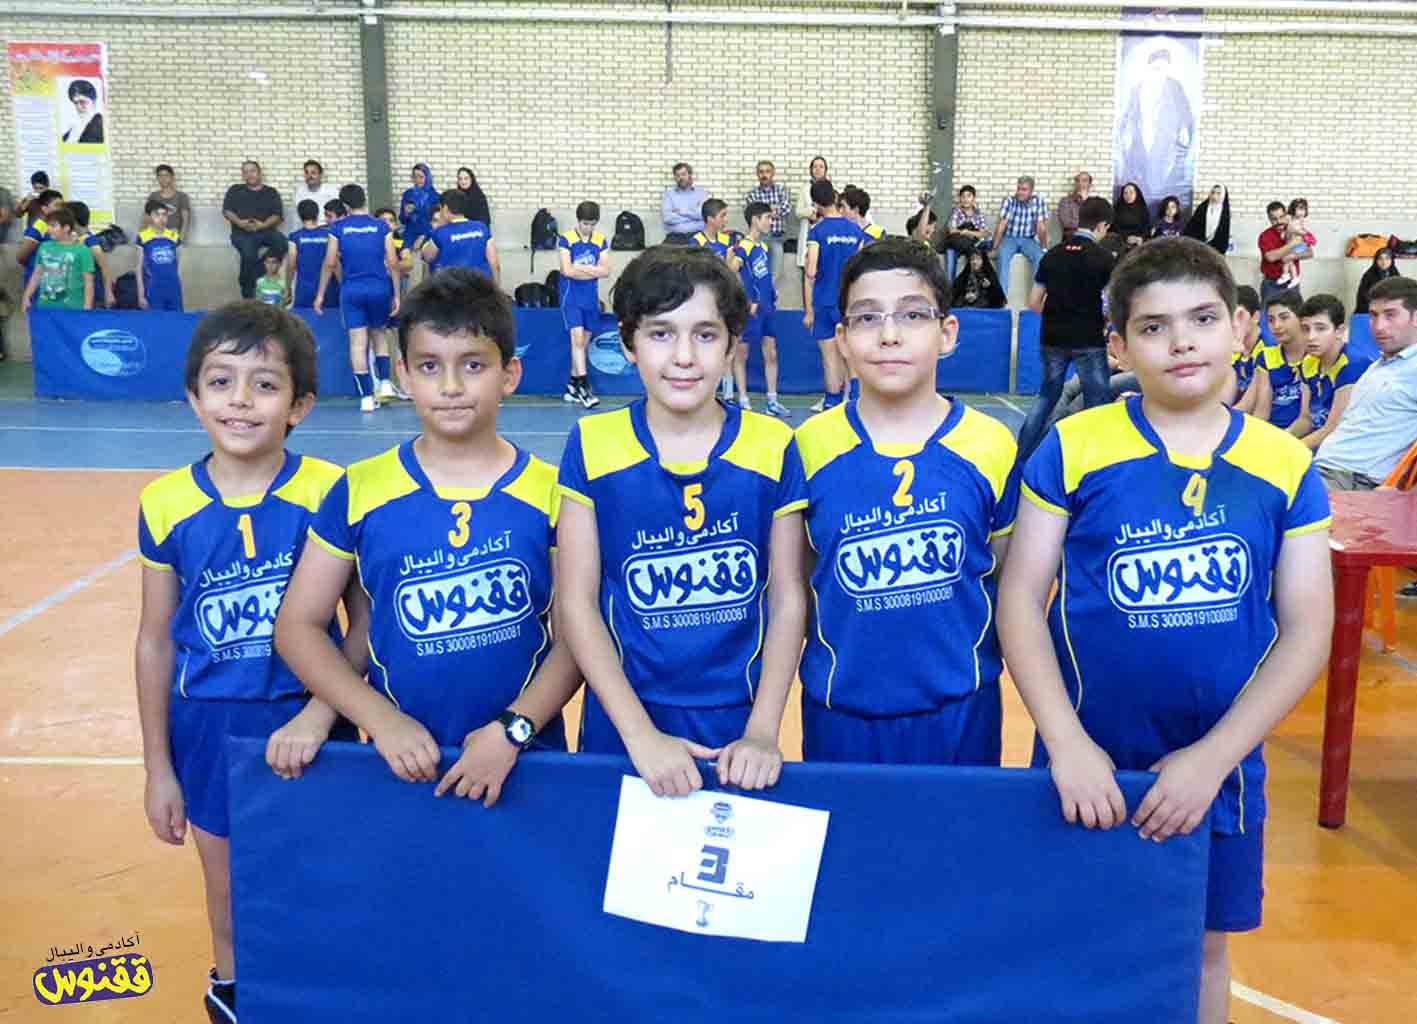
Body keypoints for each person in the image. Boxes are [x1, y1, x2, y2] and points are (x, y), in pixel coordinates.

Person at [999, 235, 1332, 1024]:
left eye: (1202, 319)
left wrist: (1213, 760)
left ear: (1240, 328)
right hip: (1086, 761)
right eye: (1153, 326)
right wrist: (1066, 744)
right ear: (1117, 345)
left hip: (1221, 769)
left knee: (1202, 949)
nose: (1181, 341)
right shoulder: (1074, 447)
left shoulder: (1283, 463)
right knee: (1071, 940)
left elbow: (1306, 627)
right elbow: (1019, 599)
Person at [276, 268, 581, 804]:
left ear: (509, 374)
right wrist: (381, 720)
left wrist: (514, 729)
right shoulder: (360, 488)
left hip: (524, 760)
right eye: (429, 366)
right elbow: (297, 625)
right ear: (403, 374)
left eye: (473, 365)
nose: (451, 387)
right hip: (398, 764)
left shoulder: (553, 494)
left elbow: (578, 635)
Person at [134, 302, 358, 1024]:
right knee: (228, 889)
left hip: (313, 722)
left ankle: (324, 998)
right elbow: (155, 639)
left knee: (322, 880)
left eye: (264, 384)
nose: (239, 400)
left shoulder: (330, 490)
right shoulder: (165, 503)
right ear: (193, 396)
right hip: (210, 730)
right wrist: (159, 767)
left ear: (300, 405)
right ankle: (235, 994)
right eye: (220, 381)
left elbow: (365, 622)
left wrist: (322, 713)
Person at [556, 245, 808, 796]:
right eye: (661, 334)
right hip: (624, 719)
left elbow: (788, 595)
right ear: (628, 343)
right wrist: (640, 735)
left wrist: (762, 730)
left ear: (733, 344)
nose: (685, 357)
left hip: (737, 722)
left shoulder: (772, 445)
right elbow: (576, 601)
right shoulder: (593, 443)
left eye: (706, 334)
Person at [794, 236, 1017, 765]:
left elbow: (1002, 579)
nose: (889, 335)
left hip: (961, 712)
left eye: (913, 315)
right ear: (842, 339)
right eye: (867, 318)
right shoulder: (807, 446)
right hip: (841, 714)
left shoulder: (991, 444)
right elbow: (800, 583)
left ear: (948, 332)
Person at [1014, 197, 1118, 462]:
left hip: (1052, 337)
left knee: (1047, 397)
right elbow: (1111, 305)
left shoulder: (1052, 255)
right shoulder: (1105, 259)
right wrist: (1102, 320)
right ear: (1102, 225)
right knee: (1097, 402)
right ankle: (1093, 461)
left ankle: (1021, 456)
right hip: (1089, 339)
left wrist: (1057, 313)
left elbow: (1033, 302)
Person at [1315, 277, 1417, 490]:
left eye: (1390, 315)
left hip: (1353, 481)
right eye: (1373, 315)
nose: (1379, 326)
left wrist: (1406, 496)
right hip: (1322, 468)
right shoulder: (1376, 367)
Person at [316, 183, 401, 412]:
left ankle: (366, 397)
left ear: (345, 205)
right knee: (379, 335)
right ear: (364, 200)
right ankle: (385, 383)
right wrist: (396, 294)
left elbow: (330, 262)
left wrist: (320, 294)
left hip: (352, 289)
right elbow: (393, 261)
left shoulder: (338, 228)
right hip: (379, 287)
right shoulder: (381, 226)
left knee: (357, 343)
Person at [804, 180, 866, 411]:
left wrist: (809, 308)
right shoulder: (856, 231)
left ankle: (832, 404)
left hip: (824, 301)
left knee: (830, 357)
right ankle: (856, 402)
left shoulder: (817, 231)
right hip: (849, 303)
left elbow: (811, 271)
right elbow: (860, 270)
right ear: (835, 197)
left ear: (816, 204)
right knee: (851, 355)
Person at [727, 201, 788, 416]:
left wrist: (770, 292)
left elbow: (762, 275)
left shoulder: (763, 246)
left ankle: (772, 401)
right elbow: (732, 269)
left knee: (771, 353)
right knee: (741, 354)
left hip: (767, 307)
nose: (771, 222)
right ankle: (744, 400)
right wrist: (745, 299)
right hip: (750, 310)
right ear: (755, 220)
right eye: (767, 218)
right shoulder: (745, 245)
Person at [1297, 294, 1371, 451]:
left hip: (1347, 450)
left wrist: (1290, 449)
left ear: (1339, 331)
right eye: (1305, 329)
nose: (1311, 337)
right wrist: (1282, 437)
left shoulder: (1352, 365)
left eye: (1320, 328)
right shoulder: (1308, 362)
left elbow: (1332, 429)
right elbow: (1305, 419)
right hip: (1319, 442)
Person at [557, 200, 611, 410]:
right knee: (577, 339)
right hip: (571, 297)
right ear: (578, 221)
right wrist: (592, 270)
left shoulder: (600, 240)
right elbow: (566, 270)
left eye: (592, 224)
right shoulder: (566, 239)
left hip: (590, 298)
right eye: (585, 224)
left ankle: (572, 384)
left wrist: (579, 268)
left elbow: (605, 271)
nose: (588, 228)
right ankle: (584, 387)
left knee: (583, 343)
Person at [222, 161, 286, 300]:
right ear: (243, 175)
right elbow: (227, 211)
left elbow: (277, 215)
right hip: (242, 233)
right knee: (249, 253)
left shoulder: (271, 192)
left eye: (252, 171)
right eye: (246, 172)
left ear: (259, 173)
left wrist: (263, 225)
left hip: (265, 230)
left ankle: (254, 274)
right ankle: (247, 292)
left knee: (282, 243)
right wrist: (240, 223)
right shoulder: (235, 190)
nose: (249, 174)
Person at [1250, 290, 1310, 430]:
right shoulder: (1266, 356)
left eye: (1284, 318)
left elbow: (1306, 419)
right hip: (1273, 432)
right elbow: (1262, 411)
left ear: (1301, 318)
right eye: (1271, 320)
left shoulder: (1314, 355)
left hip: (1300, 434)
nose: (1276, 325)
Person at [20, 207, 93, 312]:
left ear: (66, 228)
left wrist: (87, 307)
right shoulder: (44, 247)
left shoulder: (82, 250)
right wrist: (26, 296)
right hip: (45, 307)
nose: (48, 229)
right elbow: (37, 275)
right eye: (48, 226)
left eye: (53, 226)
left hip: (73, 309)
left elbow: (88, 282)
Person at [420, 189, 499, 284]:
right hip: (480, 285)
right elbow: (494, 264)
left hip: (452, 287)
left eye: (440, 209)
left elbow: (427, 257)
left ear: (445, 208)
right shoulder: (482, 227)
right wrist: (497, 288)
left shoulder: (440, 233)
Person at [990, 176, 1048, 293]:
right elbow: (1002, 225)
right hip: (1010, 238)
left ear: (1031, 191)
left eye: (1024, 189)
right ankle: (1001, 298)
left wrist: (1043, 248)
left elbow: (1041, 227)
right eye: (1018, 189)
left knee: (1039, 257)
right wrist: (994, 247)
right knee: (1002, 256)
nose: (1020, 192)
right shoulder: (1010, 201)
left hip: (1028, 240)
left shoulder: (1038, 202)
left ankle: (1036, 298)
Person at [744, 159, 793, 278]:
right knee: (756, 272)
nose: (764, 175)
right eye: (761, 172)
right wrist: (774, 209)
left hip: (777, 238)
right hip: (758, 238)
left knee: (775, 273)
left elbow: (786, 208)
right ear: (757, 174)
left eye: (767, 171)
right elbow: (753, 214)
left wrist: (764, 212)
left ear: (773, 173)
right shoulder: (752, 194)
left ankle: (770, 289)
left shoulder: (781, 190)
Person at [286, 199, 337, 309]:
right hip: (328, 289)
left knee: (303, 319)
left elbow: (291, 264)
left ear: (299, 215)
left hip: (304, 290)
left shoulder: (295, 237)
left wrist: (288, 287)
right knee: (330, 318)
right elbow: (335, 262)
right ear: (317, 214)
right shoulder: (330, 235)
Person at [1258, 201, 1310, 304]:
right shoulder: (1265, 236)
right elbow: (1271, 257)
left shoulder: (1295, 230)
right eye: (1274, 219)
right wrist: (1292, 244)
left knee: (1294, 312)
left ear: (1286, 215)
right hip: (1271, 284)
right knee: (1268, 313)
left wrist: (1292, 256)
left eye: (1281, 217)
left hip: (1291, 282)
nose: (1279, 221)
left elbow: (1309, 253)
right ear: (1269, 219)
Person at [67, 200, 116, 309]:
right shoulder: (76, 240)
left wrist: (108, 293)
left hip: (94, 297)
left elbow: (105, 268)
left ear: (73, 219)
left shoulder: (91, 242)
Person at [137, 199, 183, 312]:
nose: (161, 218)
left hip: (173, 289)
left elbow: (178, 265)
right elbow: (138, 268)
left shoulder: (174, 236)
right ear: (148, 217)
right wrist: (141, 295)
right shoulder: (142, 237)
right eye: (157, 215)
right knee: (155, 320)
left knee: (176, 319)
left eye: (164, 215)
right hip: (153, 289)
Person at [938, 184, 991, 280]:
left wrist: (968, 232)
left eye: (968, 196)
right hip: (957, 244)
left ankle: (973, 282)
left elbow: (983, 233)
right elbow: (951, 230)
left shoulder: (979, 214)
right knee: (950, 250)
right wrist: (963, 231)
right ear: (960, 199)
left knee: (977, 251)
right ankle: (950, 285)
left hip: (971, 243)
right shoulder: (956, 212)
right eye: (963, 196)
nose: (966, 199)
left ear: (974, 198)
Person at [15, 188, 63, 288]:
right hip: (36, 282)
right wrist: (34, 266)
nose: (61, 209)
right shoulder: (38, 228)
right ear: (44, 208)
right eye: (57, 205)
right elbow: (21, 257)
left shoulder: (57, 227)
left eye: (62, 206)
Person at [1231, 285, 1265, 415]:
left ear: (1255, 317)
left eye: (1240, 316)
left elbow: (1249, 404)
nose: (1234, 323)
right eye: (1230, 316)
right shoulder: (1233, 346)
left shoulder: (1266, 348)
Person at [796, 156, 830, 275]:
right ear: (811, 170)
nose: (818, 169)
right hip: (808, 231)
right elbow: (798, 212)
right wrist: (810, 212)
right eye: (815, 166)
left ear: (826, 170)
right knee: (807, 272)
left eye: (821, 166)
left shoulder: (830, 188)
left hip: (825, 232)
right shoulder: (805, 188)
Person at [287, 159, 338, 235]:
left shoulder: (331, 190)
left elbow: (338, 216)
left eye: (313, 173)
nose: (309, 176)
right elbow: (297, 218)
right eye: (306, 173)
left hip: (327, 229)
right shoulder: (300, 191)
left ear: (320, 175)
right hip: (307, 230)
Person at [1274, 198, 1315, 292]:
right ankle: (1293, 277)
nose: (1301, 212)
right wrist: (1284, 232)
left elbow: (1299, 230)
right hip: (1291, 242)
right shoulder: (1291, 218)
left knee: (1286, 259)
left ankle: (1286, 275)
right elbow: (1287, 227)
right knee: (1290, 261)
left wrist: (1301, 232)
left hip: (1297, 244)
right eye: (1299, 209)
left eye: (1303, 209)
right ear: (1293, 209)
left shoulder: (1300, 220)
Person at [662, 162, 708, 242]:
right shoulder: (669, 195)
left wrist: (681, 212)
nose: (681, 177)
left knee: (707, 248)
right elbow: (668, 218)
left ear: (689, 175)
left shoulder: (701, 193)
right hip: (675, 236)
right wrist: (693, 216)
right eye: (677, 175)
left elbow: (703, 215)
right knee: (662, 250)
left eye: (683, 174)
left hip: (698, 235)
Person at [147, 164, 193, 239]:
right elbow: (147, 218)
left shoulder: (181, 196)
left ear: (172, 177)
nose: (163, 178)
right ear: (157, 178)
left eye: (166, 175)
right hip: (156, 233)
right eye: (160, 176)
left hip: (173, 233)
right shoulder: (153, 196)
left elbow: (186, 221)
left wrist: (180, 239)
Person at [399, 163, 438, 251]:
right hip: (409, 236)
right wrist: (406, 213)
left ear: (427, 177)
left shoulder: (435, 197)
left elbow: (437, 222)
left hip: (428, 236)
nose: (417, 180)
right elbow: (402, 219)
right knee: (406, 257)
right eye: (415, 177)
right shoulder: (408, 194)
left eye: (421, 177)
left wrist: (423, 236)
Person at [1183, 183, 1230, 254]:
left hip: (1215, 248)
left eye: (1218, 193)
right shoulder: (1202, 208)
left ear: (1223, 196)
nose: (1214, 196)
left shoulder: (1225, 212)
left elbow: (1224, 234)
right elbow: (1192, 227)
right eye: (1213, 192)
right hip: (1198, 245)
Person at [1108, 182, 1150, 253]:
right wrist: (1126, 237)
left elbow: (1146, 228)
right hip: (1119, 242)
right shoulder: (1116, 209)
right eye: (1125, 193)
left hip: (1139, 243)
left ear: (1136, 194)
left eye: (1131, 192)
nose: (1128, 195)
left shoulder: (1143, 209)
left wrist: (1140, 238)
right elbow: (1113, 228)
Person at [1355, 247, 1399, 315]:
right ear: (1376, 260)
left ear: (1392, 260)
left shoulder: (1395, 274)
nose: (1384, 262)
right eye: (1380, 259)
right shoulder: (1368, 275)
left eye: (1387, 258)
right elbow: (1362, 297)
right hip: (1371, 311)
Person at [1056, 172, 1093, 239]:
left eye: (1084, 180)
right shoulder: (1066, 201)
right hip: (1072, 238)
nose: (1080, 183)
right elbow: (1067, 223)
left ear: (1090, 184)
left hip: (1091, 238)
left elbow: (1098, 223)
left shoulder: (1094, 203)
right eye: (1078, 181)